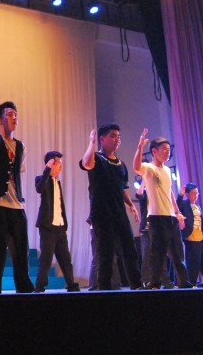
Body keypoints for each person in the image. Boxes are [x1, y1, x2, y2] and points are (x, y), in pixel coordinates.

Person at [0, 99, 35, 294]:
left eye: (15, 115)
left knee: (21, 251)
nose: (14, 118)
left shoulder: (20, 146)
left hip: (16, 206)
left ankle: (24, 288)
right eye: (9, 114)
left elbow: (19, 171)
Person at [79, 124, 143, 290]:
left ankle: (137, 285)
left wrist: (131, 205)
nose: (117, 139)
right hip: (101, 214)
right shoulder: (96, 158)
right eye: (113, 136)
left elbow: (122, 189)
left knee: (129, 250)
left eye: (118, 136)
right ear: (102, 139)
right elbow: (86, 163)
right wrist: (91, 142)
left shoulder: (121, 165)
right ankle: (104, 288)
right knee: (105, 253)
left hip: (119, 213)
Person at [132, 130, 192, 289]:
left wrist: (177, 212)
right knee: (157, 253)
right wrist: (140, 146)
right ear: (154, 151)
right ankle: (154, 283)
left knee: (177, 253)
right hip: (156, 217)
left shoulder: (167, 170)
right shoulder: (149, 168)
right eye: (164, 149)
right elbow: (136, 167)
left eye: (169, 150)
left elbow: (169, 192)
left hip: (170, 217)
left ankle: (184, 282)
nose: (167, 152)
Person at [34, 151, 80, 292]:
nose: (61, 166)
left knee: (65, 259)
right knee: (46, 258)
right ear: (51, 164)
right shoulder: (41, 178)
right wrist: (47, 170)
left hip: (60, 226)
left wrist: (64, 223)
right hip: (47, 226)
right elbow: (40, 189)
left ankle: (71, 284)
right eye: (58, 163)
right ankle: (39, 286)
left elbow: (59, 204)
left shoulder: (57, 181)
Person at [136, 184, 176, 288]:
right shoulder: (145, 193)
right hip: (145, 229)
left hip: (157, 228)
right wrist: (144, 182)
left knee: (161, 255)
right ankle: (146, 281)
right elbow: (138, 194)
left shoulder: (157, 194)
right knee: (146, 256)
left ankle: (165, 282)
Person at [179, 183, 203, 287]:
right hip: (191, 238)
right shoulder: (184, 205)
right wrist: (180, 195)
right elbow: (177, 205)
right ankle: (192, 284)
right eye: (193, 193)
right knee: (193, 263)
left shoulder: (197, 206)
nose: (195, 195)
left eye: (197, 193)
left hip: (201, 238)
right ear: (188, 194)